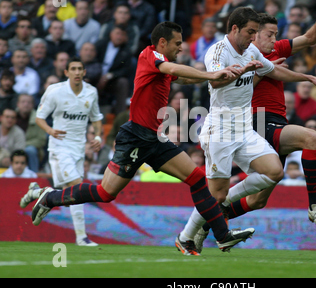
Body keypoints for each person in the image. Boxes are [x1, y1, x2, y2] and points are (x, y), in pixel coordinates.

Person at [29, 22, 256, 255]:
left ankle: (222, 236)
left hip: (156, 139)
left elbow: (184, 78)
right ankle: (50, 198)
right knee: (106, 193)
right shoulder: (151, 56)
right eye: (177, 44)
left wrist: (224, 76)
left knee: (197, 179)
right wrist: (210, 73)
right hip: (136, 137)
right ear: (162, 43)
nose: (180, 48)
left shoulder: (164, 67)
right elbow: (173, 70)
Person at [178, 6, 316, 253]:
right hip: (221, 128)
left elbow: (272, 69)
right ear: (235, 28)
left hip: (245, 128)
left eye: (257, 33)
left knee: (273, 173)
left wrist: (307, 77)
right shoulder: (217, 51)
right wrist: (245, 70)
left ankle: (220, 211)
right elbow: (216, 80)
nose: (254, 38)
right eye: (252, 32)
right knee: (216, 195)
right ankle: (186, 236)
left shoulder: (252, 50)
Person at [20, 57, 103, 246]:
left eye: (80, 69)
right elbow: (40, 117)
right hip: (59, 148)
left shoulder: (91, 92)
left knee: (69, 196)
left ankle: (38, 192)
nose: (76, 72)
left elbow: (97, 119)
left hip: (79, 149)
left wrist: (97, 137)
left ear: (84, 72)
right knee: (77, 186)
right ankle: (82, 237)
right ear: (66, 72)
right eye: (72, 69)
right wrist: (50, 131)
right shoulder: (55, 91)